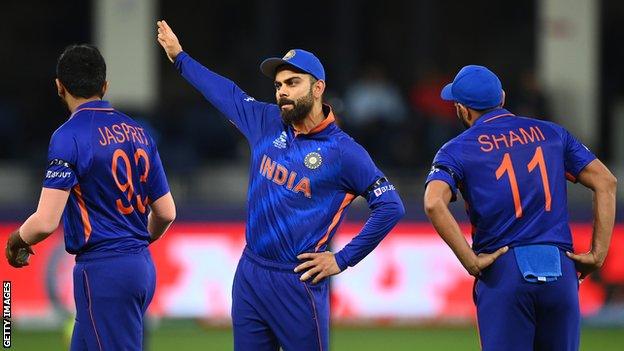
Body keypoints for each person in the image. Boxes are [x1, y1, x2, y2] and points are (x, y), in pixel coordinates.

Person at [156, 20, 405, 351]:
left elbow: (390, 206)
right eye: (278, 85)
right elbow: (224, 92)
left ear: (318, 88)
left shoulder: (344, 152)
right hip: (251, 274)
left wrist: (342, 259)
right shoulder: (266, 120)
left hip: (297, 282)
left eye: (293, 82)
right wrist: (179, 57)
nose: (282, 91)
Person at [423, 65, 617, 350]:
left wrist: (470, 260)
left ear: (463, 110)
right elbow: (606, 182)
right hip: (560, 270)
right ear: (502, 97)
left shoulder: (456, 149)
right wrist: (597, 254)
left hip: (504, 272)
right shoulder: (552, 134)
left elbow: (432, 202)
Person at [4, 44, 176, 350]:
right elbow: (166, 212)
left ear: (60, 86)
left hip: (103, 274)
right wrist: (134, 245)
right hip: (140, 266)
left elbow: (45, 222)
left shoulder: (68, 135)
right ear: (105, 86)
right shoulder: (139, 132)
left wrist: (16, 240)